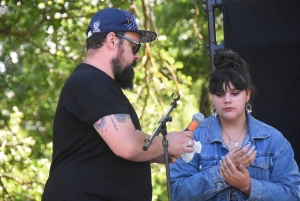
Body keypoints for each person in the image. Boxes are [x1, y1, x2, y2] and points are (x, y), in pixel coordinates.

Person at [42, 8, 195, 201]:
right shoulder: (90, 81)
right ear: (112, 40)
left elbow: (109, 148)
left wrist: (160, 152)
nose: (137, 56)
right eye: (135, 47)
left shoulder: (95, 83)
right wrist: (166, 144)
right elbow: (128, 145)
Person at [170, 49, 300, 201]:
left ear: (248, 94)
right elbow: (177, 192)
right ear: (212, 97)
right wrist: (221, 174)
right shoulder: (194, 137)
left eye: (235, 93)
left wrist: (248, 186)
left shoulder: (273, 140)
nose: (227, 100)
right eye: (219, 94)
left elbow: (293, 194)